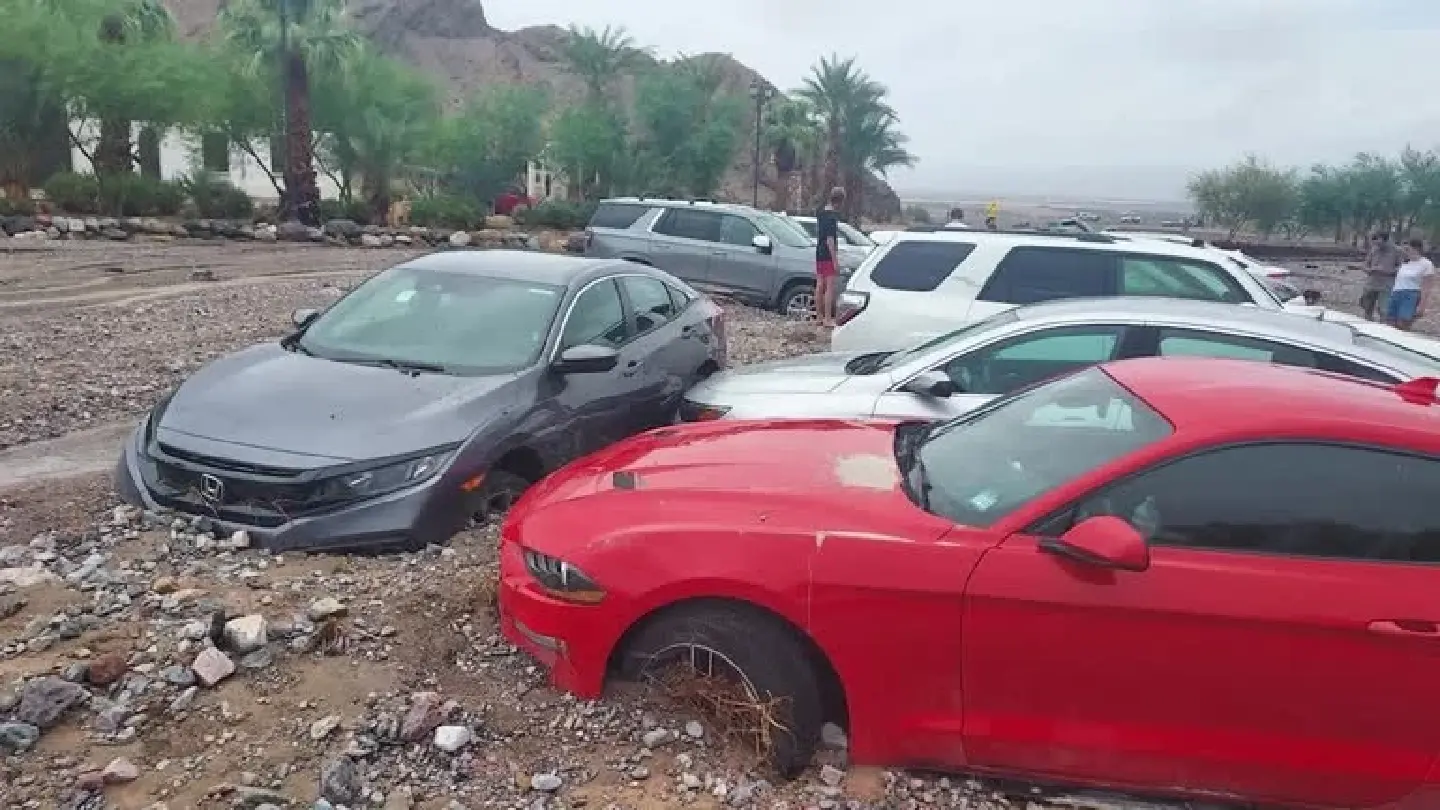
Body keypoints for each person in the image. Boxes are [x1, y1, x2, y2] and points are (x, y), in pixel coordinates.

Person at [1386, 239, 1435, 331]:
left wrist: (1422, 305)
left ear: (1416, 249)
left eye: (1407, 249)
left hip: (1410, 294)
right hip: (1396, 293)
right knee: (1390, 321)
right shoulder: (1405, 263)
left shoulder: (1426, 264)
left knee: (1403, 323)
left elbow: (1427, 287)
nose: (1405, 251)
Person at [814, 187, 845, 327]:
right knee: (829, 287)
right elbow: (830, 240)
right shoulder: (832, 218)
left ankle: (819, 317)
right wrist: (835, 260)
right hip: (827, 254)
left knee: (819, 285)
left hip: (819, 252)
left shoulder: (821, 214)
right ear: (840, 201)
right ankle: (827, 318)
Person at [1360, 232, 1401, 320]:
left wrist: (1389, 271)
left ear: (1386, 240)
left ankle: (1382, 328)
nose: (1377, 244)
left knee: (1384, 310)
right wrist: (1370, 269)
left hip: (1386, 285)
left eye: (1379, 242)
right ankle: (1367, 325)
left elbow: (1402, 267)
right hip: (1371, 284)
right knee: (1367, 307)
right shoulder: (1374, 249)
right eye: (1375, 242)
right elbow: (1364, 265)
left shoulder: (1396, 250)